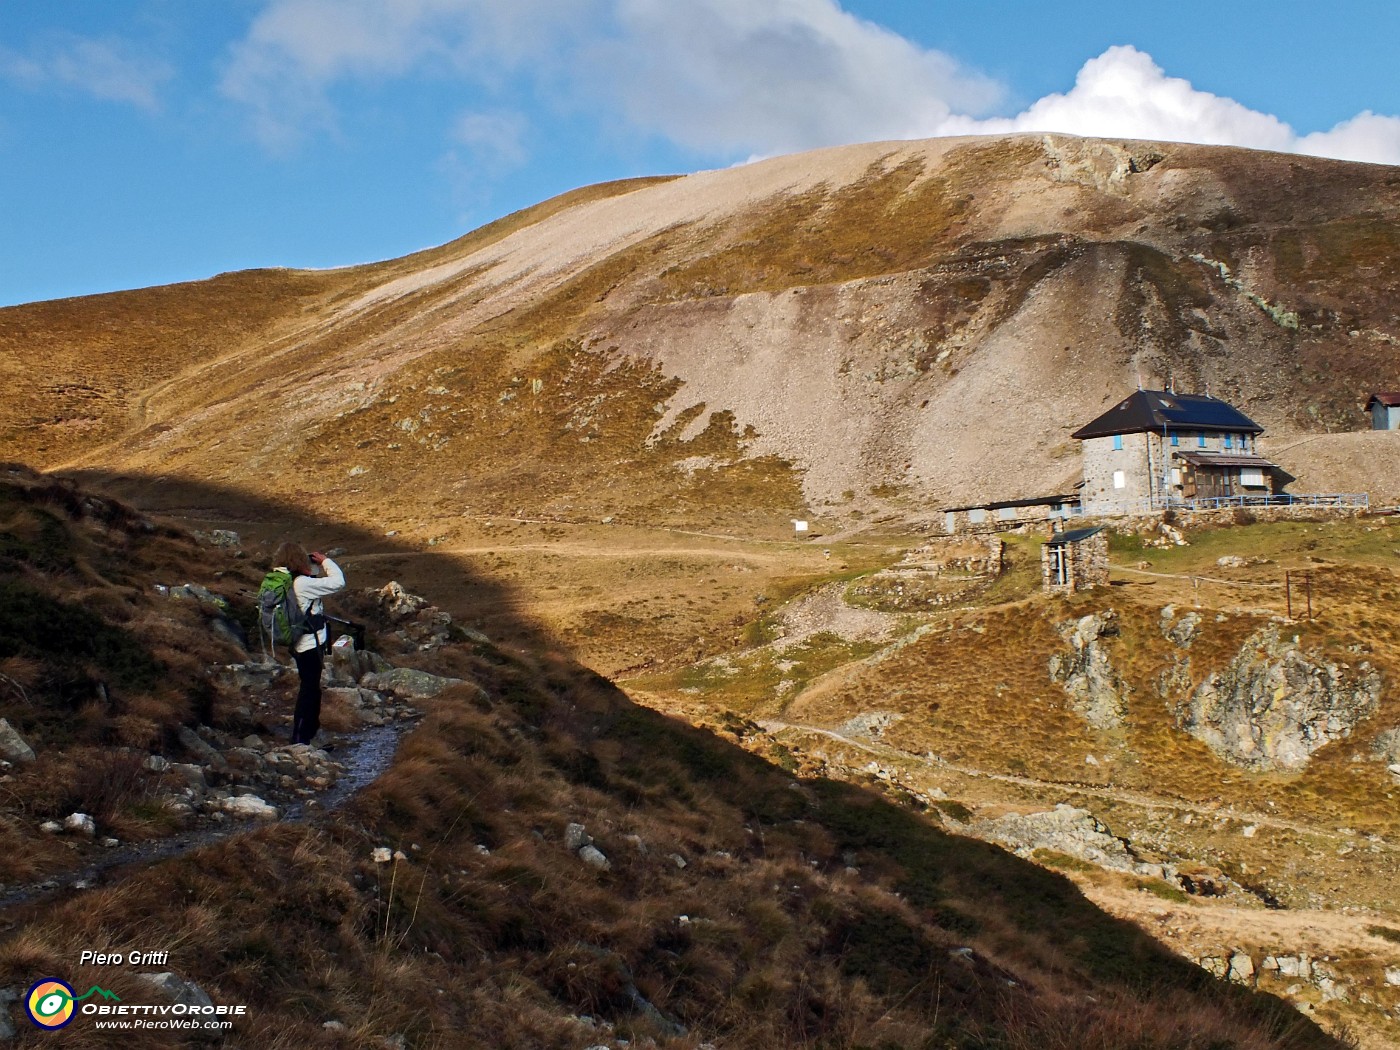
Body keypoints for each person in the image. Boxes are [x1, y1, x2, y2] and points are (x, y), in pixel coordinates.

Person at [271, 542, 345, 746]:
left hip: (296, 643)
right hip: (309, 644)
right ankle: (301, 737)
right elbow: (338, 582)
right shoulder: (302, 584)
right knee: (310, 690)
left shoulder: (282, 580)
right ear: (299, 560)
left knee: (310, 687)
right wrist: (325, 561)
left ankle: (309, 732)